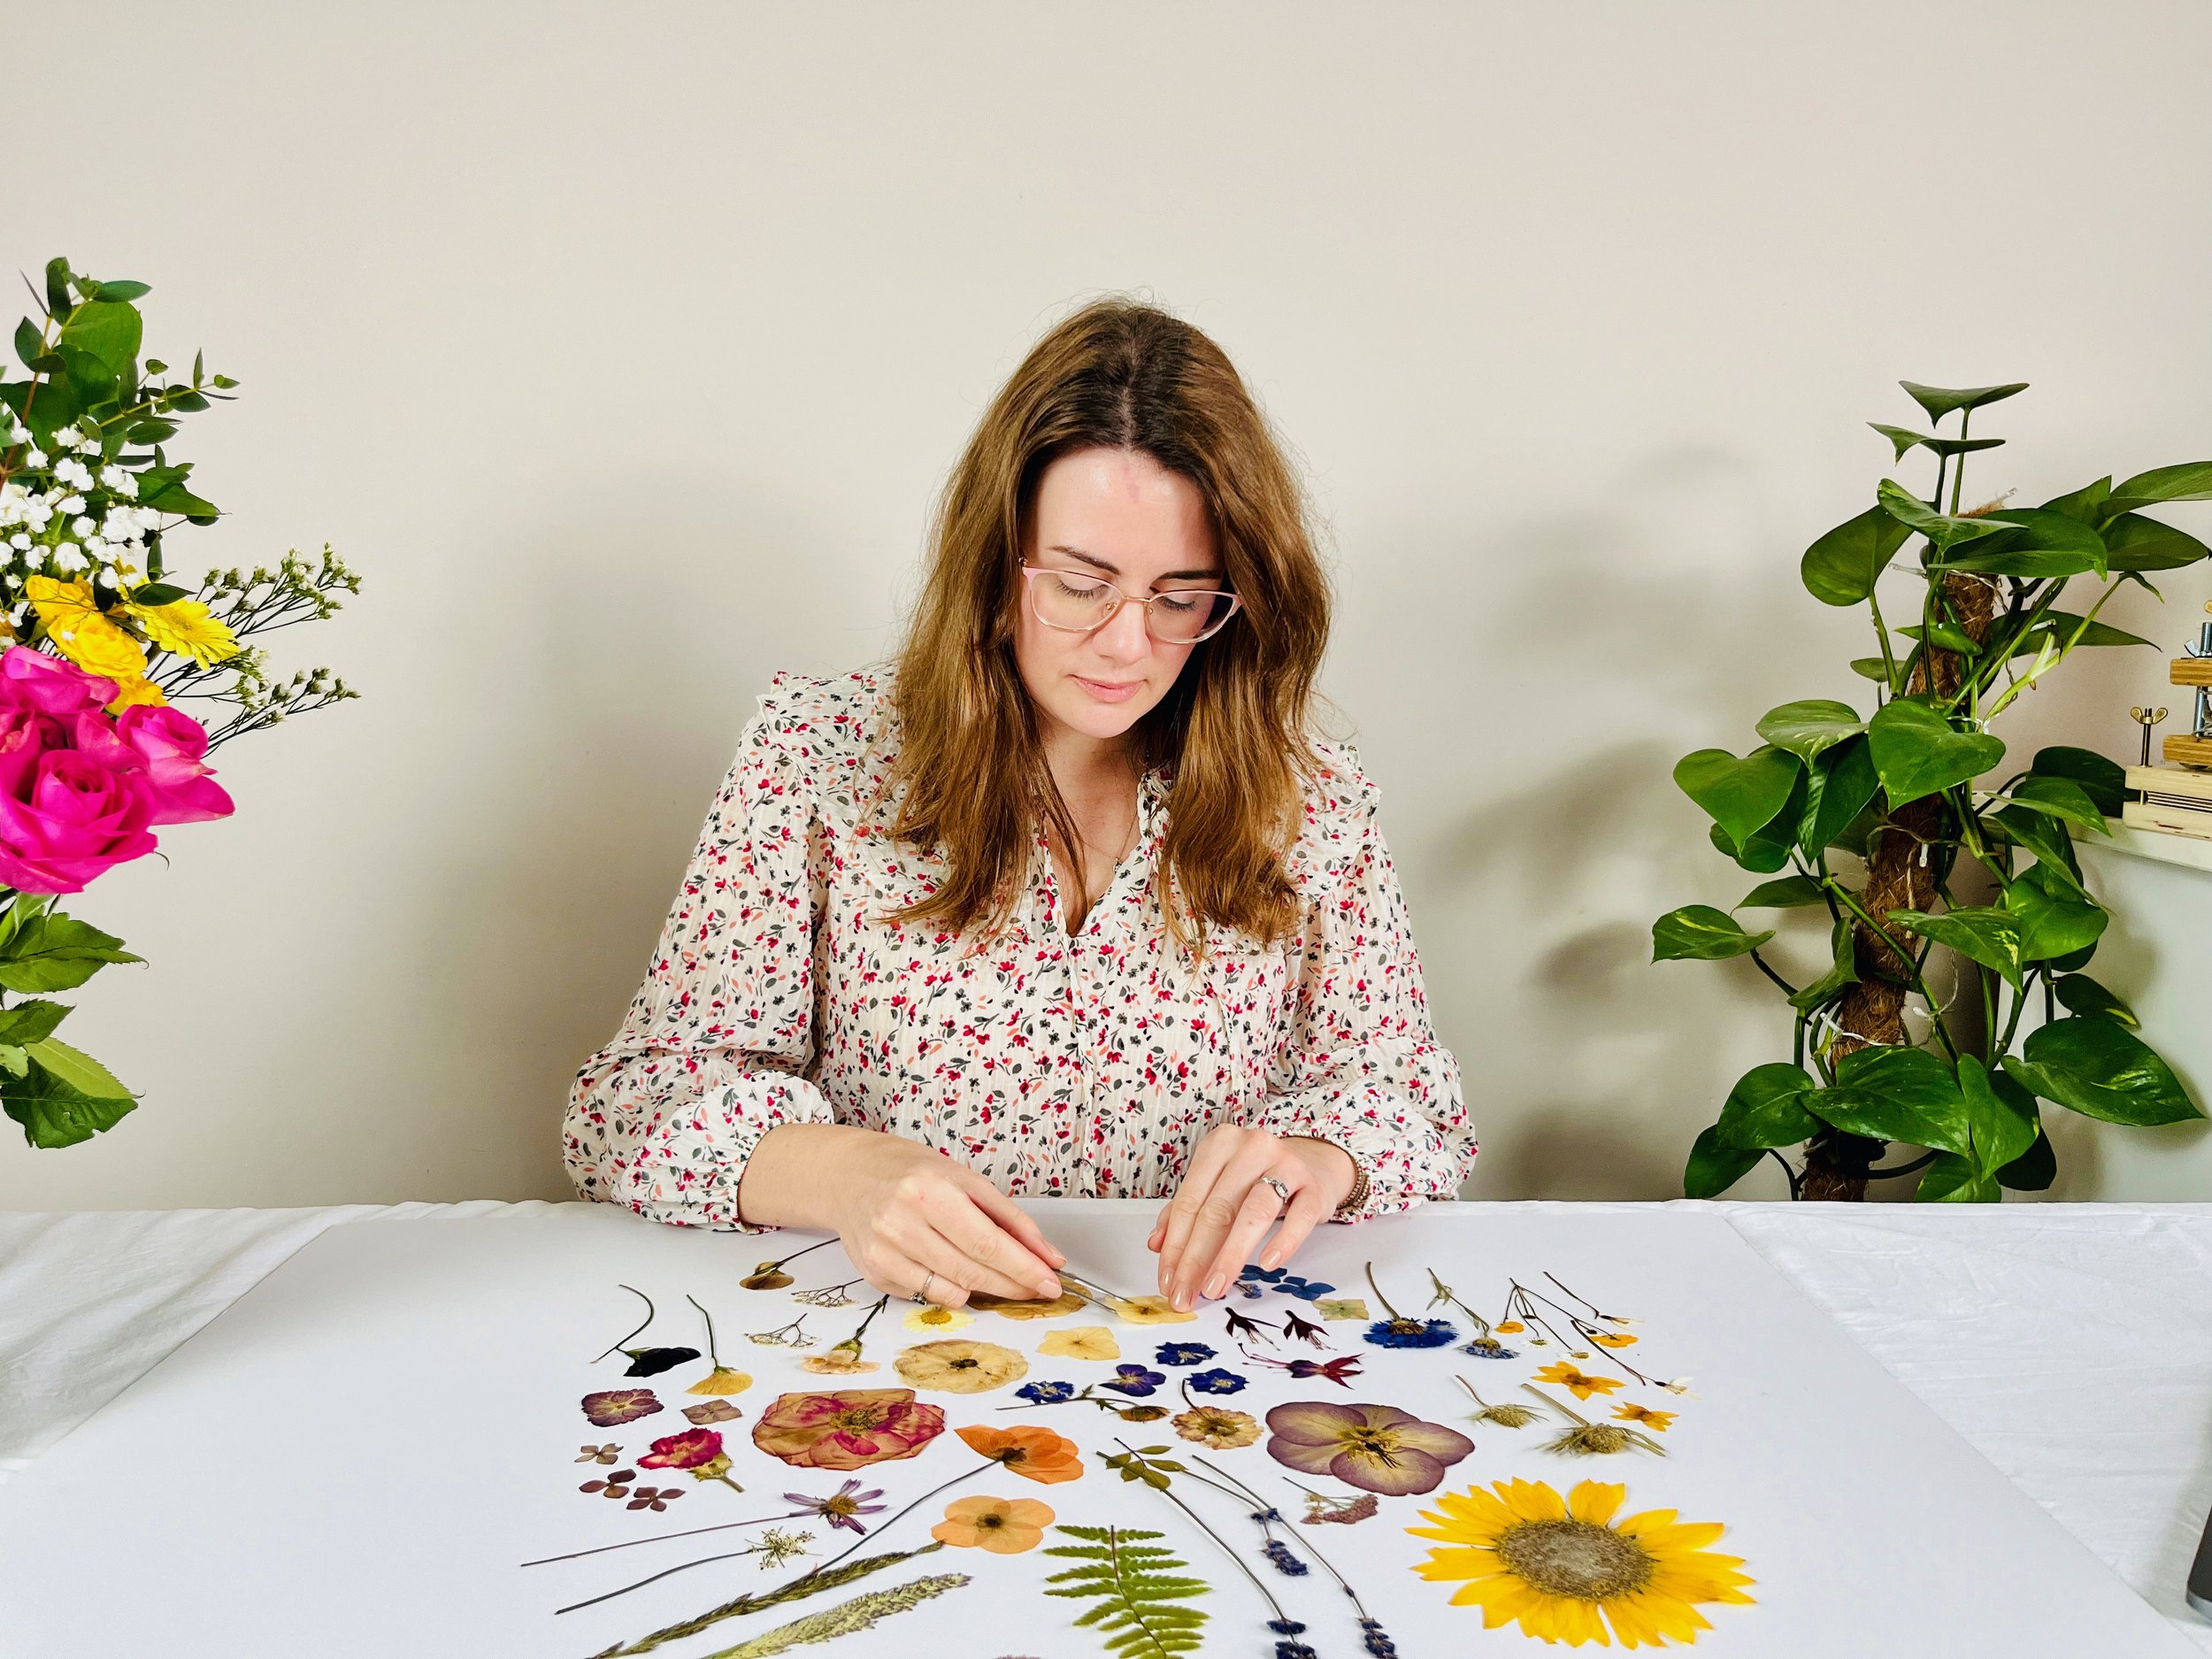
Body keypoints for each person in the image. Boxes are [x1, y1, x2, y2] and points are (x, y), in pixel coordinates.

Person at [563, 296, 1474, 1315]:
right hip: (899, 1354)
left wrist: (1320, 1156)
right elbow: (629, 1109)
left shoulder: (1311, 800)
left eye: (1180, 596)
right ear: (997, 566)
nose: (1129, 644)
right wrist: (848, 1176)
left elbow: (1415, 1106)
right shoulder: (816, 757)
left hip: (1200, 1366)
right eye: (1083, 585)